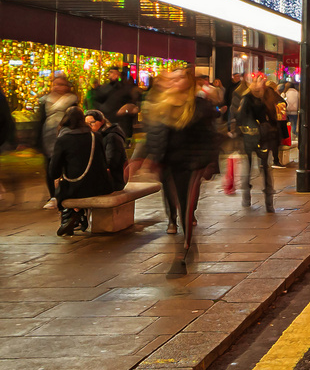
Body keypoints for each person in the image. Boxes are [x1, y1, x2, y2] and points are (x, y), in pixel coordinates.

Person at [132, 68, 221, 267]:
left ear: (189, 83)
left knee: (187, 205)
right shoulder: (160, 106)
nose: (175, 82)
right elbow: (153, 135)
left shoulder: (200, 106)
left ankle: (185, 247)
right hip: (168, 162)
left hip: (191, 163)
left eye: (181, 78)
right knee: (174, 200)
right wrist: (142, 158)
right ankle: (178, 228)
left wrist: (210, 164)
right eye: (173, 78)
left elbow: (211, 137)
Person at [47, 107, 112, 236]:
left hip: (76, 187)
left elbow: (54, 169)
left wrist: (57, 176)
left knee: (62, 188)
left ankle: (69, 216)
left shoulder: (63, 140)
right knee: (77, 186)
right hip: (100, 185)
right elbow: (103, 161)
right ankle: (75, 215)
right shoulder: (96, 136)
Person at [232, 74, 279, 212]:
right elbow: (239, 116)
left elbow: (239, 117)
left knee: (259, 167)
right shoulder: (247, 97)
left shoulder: (256, 97)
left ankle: (260, 200)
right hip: (255, 137)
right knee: (259, 168)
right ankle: (258, 200)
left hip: (258, 136)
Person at [33, 72, 80, 184]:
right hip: (48, 137)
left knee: (65, 165)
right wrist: (37, 142)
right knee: (50, 167)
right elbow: (41, 121)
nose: (57, 87)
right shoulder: (45, 101)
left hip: (65, 136)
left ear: (67, 87)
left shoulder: (72, 100)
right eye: (55, 84)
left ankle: (64, 191)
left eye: (61, 84)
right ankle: (53, 194)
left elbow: (75, 121)